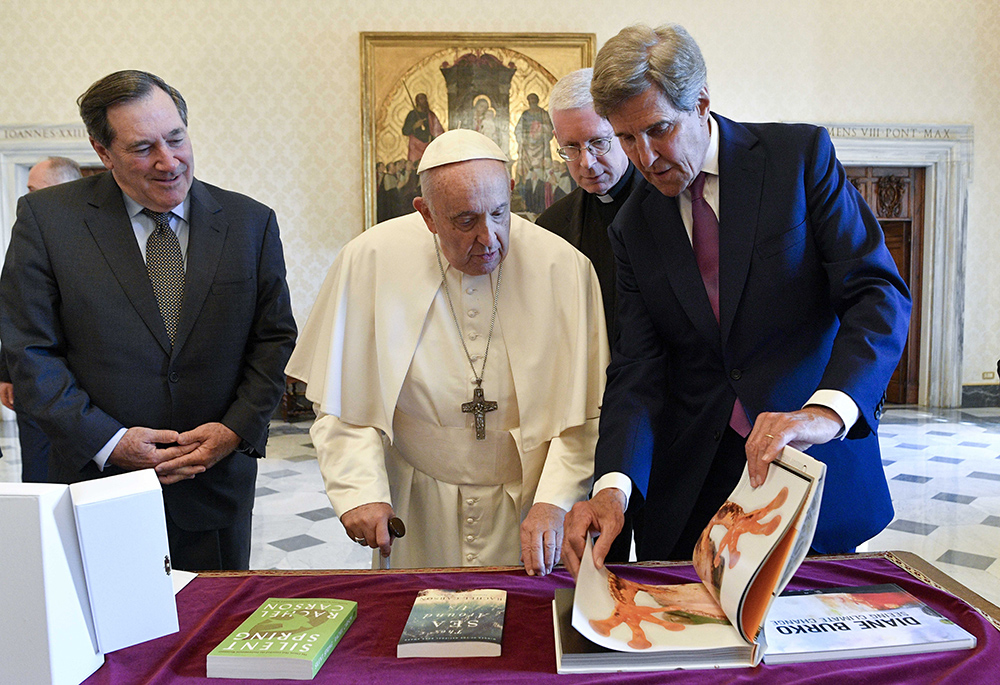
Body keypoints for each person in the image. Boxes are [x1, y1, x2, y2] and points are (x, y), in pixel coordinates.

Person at [562, 24, 911, 575]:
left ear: (700, 103)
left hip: (809, 461)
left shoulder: (797, 158)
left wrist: (826, 410)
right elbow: (638, 367)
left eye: (658, 129)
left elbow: (876, 293)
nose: (646, 158)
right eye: (627, 138)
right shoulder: (634, 224)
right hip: (693, 485)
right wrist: (613, 485)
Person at [0, 70, 297, 571]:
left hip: (214, 484)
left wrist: (233, 430)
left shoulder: (250, 222)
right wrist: (109, 443)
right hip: (96, 486)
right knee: (112, 645)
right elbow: (29, 352)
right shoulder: (47, 221)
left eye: (176, 138)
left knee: (209, 630)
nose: (168, 162)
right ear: (103, 150)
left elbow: (273, 340)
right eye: (142, 148)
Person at [286, 130, 607, 576]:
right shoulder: (369, 260)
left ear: (511, 193)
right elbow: (344, 405)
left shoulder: (564, 268)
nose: (489, 238)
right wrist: (360, 491)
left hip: (529, 503)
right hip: (414, 501)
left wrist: (554, 500)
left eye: (499, 213)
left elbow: (583, 416)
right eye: (465, 221)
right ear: (427, 215)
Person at [536, 68, 637, 344]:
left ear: (621, 129)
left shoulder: (669, 203)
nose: (586, 163)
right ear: (556, 139)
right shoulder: (552, 225)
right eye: (571, 147)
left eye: (598, 143)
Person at [0, 157, 83, 482]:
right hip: (37, 376)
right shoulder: (31, 229)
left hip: (93, 379)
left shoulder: (108, 231)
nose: (27, 200)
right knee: (40, 474)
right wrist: (7, 371)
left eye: (34, 191)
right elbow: (14, 302)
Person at [514, 93, 554, 215]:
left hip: (541, 147)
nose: (532, 101)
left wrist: (541, 128)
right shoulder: (525, 114)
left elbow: (550, 130)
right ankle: (526, 200)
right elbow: (518, 130)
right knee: (526, 173)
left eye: (534, 99)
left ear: (537, 100)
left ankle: (541, 202)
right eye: (530, 99)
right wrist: (524, 139)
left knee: (541, 173)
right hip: (527, 148)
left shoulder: (543, 113)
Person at [402, 92, 445, 162]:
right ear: (417, 102)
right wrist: (414, 126)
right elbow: (405, 131)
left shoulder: (431, 115)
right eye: (421, 99)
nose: (424, 101)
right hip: (415, 147)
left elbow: (438, 131)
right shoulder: (412, 115)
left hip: (428, 147)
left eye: (425, 99)